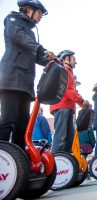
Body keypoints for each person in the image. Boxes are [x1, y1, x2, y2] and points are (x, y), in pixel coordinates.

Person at [0, 0, 55, 150]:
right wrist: (41, 49)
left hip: (26, 83)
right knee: (7, 121)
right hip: (11, 79)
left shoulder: (31, 32)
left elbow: (36, 56)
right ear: (29, 10)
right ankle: (3, 155)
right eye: (39, 13)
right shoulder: (13, 19)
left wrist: (53, 62)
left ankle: (17, 158)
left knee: (22, 125)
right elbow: (17, 36)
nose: (40, 17)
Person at [50, 50, 89, 153]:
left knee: (69, 138)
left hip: (67, 107)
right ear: (66, 59)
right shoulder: (64, 71)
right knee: (60, 137)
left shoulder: (68, 72)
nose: (76, 62)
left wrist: (82, 101)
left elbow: (73, 91)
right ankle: (54, 162)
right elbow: (67, 91)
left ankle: (66, 162)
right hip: (62, 106)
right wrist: (81, 101)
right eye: (74, 59)